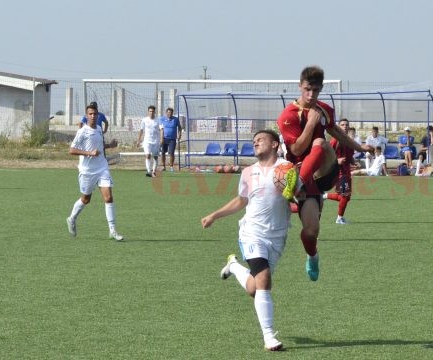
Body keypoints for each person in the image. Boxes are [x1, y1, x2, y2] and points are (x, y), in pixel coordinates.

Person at [277, 65, 372, 281]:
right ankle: (312, 256)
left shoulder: (324, 109)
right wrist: (311, 123)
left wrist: (359, 148)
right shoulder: (288, 116)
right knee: (311, 231)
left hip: (324, 171)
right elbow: (296, 150)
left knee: (320, 142)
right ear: (300, 86)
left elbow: (335, 131)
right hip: (301, 171)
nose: (311, 95)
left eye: (316, 91)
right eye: (307, 89)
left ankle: (297, 186)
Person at [201, 129, 289, 351]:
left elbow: (301, 198)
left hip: (277, 236)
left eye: (261, 140)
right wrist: (214, 215)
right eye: (254, 141)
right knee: (264, 279)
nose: (256, 142)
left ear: (275, 144)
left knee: (254, 288)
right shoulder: (249, 172)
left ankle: (233, 265)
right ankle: (269, 336)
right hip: (251, 232)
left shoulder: (287, 169)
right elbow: (241, 201)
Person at [66, 104, 124, 241]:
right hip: (87, 171)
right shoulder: (82, 131)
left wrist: (110, 145)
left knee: (108, 197)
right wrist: (89, 153)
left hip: (102, 167)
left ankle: (112, 230)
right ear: (86, 116)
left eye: (95, 114)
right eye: (90, 114)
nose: (93, 116)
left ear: (97, 115)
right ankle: (72, 218)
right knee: (86, 199)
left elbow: (99, 146)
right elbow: (72, 150)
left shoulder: (98, 129)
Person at [324, 118, 356, 225]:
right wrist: (336, 161)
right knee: (345, 196)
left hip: (347, 172)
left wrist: (353, 161)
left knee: (346, 197)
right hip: (339, 173)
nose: (345, 127)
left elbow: (350, 155)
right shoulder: (335, 141)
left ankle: (324, 196)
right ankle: (339, 218)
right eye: (342, 125)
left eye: (347, 125)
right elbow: (326, 156)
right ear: (338, 127)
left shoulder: (349, 141)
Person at [135, 105, 161, 177]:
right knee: (147, 155)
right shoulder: (144, 120)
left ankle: (154, 171)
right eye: (150, 111)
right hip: (147, 141)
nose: (151, 112)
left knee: (155, 157)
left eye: (152, 111)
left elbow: (161, 129)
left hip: (156, 141)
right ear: (148, 112)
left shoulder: (158, 120)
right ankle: (149, 171)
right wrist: (139, 140)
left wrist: (162, 139)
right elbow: (141, 130)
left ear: (154, 112)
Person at [159, 107, 182, 171]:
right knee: (163, 153)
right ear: (166, 113)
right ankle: (163, 166)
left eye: (171, 113)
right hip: (164, 138)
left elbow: (180, 128)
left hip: (172, 139)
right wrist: (161, 138)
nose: (169, 114)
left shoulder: (176, 119)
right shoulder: (162, 119)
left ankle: (171, 166)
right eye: (168, 112)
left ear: (172, 113)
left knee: (171, 153)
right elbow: (161, 129)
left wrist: (179, 134)